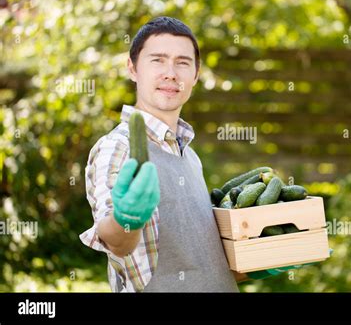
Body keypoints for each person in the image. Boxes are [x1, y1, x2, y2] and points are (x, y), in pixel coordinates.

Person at [80, 16, 315, 293]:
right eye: (157, 60)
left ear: (195, 74)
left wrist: (258, 263)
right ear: (132, 68)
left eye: (182, 62)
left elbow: (195, 265)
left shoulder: (189, 156)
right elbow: (116, 242)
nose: (171, 73)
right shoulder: (118, 147)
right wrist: (126, 218)